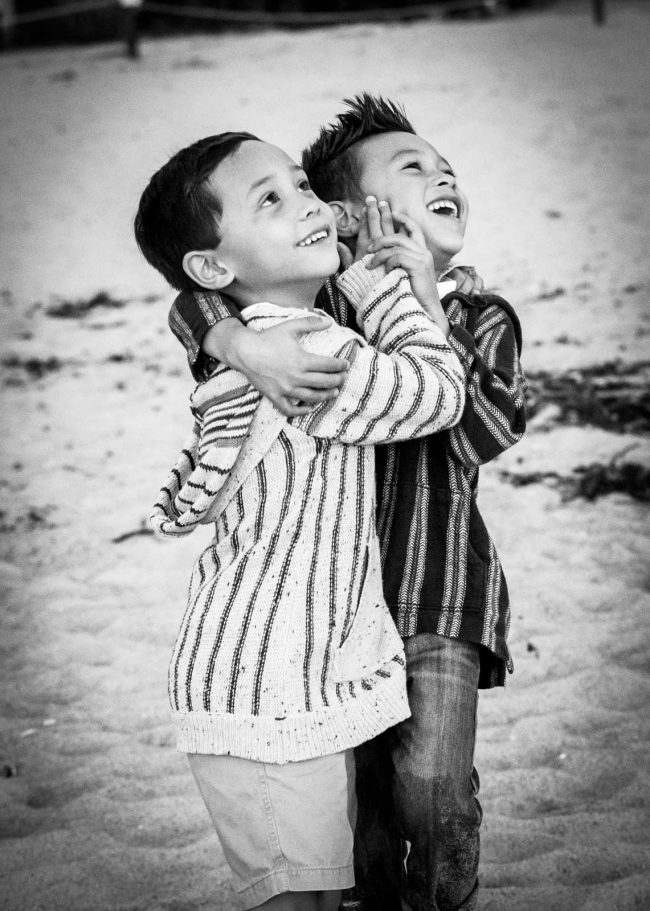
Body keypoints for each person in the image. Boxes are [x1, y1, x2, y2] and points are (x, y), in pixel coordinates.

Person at [167, 96, 527, 911]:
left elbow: (481, 431)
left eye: (446, 168)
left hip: (439, 592)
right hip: (335, 612)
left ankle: (446, 893)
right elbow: (195, 298)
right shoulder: (324, 300)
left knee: (431, 781)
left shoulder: (483, 314)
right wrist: (238, 342)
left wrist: (423, 305)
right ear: (348, 213)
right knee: (355, 796)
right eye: (413, 168)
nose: (442, 176)